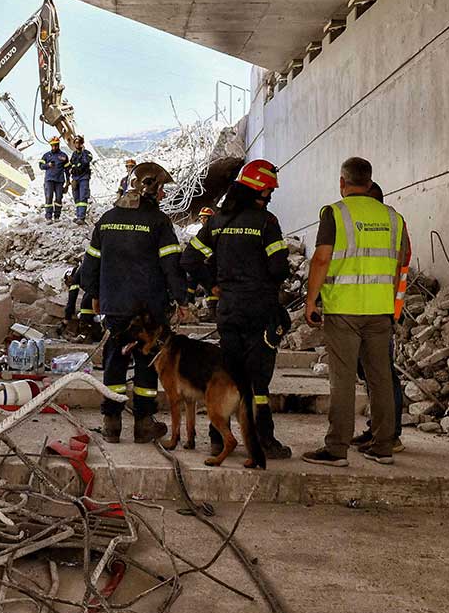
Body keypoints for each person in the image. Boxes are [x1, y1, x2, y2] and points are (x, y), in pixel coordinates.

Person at [182, 161, 293, 461]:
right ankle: (263, 441)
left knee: (228, 374)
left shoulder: (217, 221)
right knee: (257, 379)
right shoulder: (266, 222)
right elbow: (278, 268)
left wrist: (213, 284)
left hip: (228, 309)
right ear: (261, 191)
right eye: (269, 190)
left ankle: (218, 439)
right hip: (259, 309)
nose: (270, 195)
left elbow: (189, 259)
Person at [302, 157, 408, 467]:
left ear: (342, 182)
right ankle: (383, 446)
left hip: (344, 310)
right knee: (380, 379)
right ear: (370, 182)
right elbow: (399, 265)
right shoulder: (394, 218)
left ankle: (336, 449)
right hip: (380, 310)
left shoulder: (335, 213)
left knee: (343, 380)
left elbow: (321, 259)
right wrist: (392, 305)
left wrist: (311, 301)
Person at [81, 162, 189, 443]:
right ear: (149, 189)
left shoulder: (106, 220)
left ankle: (111, 424)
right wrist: (182, 299)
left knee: (114, 363)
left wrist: (94, 295)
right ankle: (143, 425)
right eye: (162, 189)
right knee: (147, 363)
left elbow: (90, 264)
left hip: (114, 307)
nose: (163, 195)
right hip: (148, 311)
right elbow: (171, 265)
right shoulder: (159, 222)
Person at [351, 182, 409, 454]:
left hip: (382, 309)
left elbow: (396, 264)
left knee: (382, 373)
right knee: (371, 372)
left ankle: (389, 433)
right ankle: (379, 428)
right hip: (370, 307)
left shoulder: (391, 224)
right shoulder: (389, 224)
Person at [60, 261, 101, 342]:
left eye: (68, 283)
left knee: (85, 304)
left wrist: (66, 319)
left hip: (99, 285)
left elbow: (72, 300)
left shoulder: (76, 277)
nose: (69, 285)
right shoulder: (84, 269)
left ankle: (84, 336)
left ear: (69, 277)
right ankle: (97, 333)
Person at [38, 136, 69, 222]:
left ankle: (57, 216)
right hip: (49, 180)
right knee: (49, 197)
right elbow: (41, 166)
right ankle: (48, 217)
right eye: (53, 145)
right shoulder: (46, 155)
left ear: (58, 145)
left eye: (56, 145)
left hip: (59, 181)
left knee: (59, 198)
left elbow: (67, 169)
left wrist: (68, 181)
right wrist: (48, 165)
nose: (54, 147)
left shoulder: (64, 156)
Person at [67, 135, 93, 225]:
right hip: (75, 178)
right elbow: (71, 164)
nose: (77, 144)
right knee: (76, 198)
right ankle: (78, 215)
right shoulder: (74, 154)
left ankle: (81, 217)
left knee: (83, 197)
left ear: (82, 143)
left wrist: (83, 151)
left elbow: (86, 161)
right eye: (76, 143)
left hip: (83, 178)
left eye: (79, 142)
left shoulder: (87, 153)